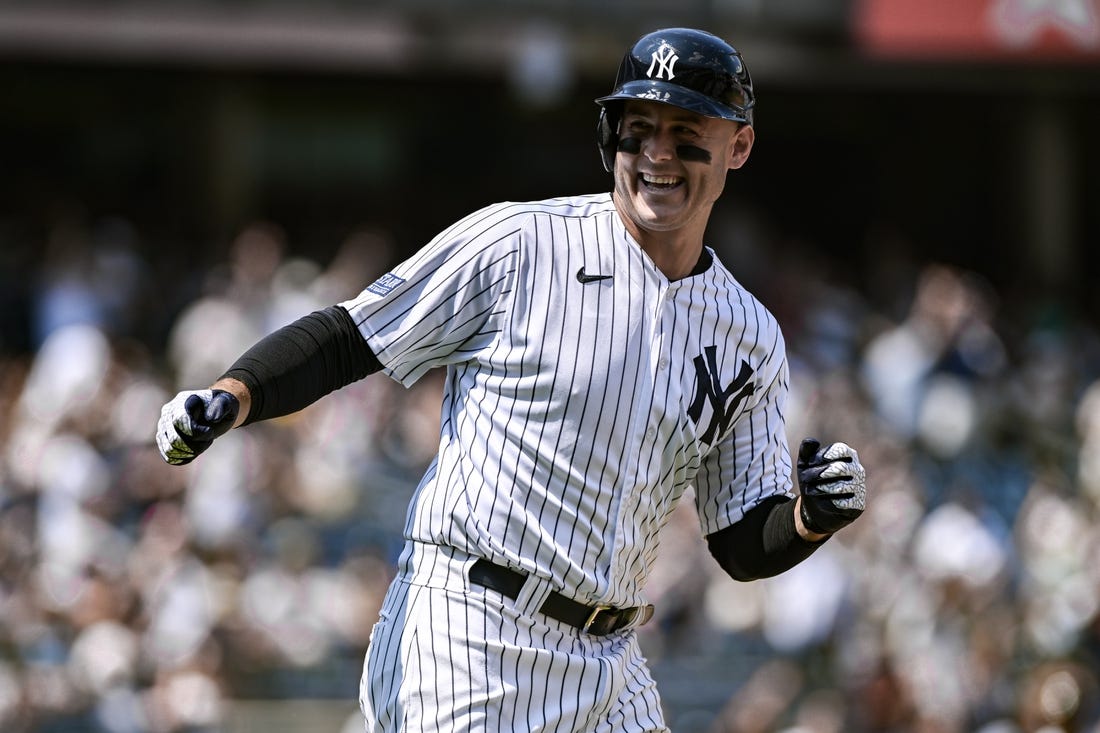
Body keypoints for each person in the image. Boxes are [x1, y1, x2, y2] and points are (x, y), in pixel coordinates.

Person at [156, 27, 867, 733]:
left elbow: (741, 542)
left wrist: (811, 517)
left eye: (686, 130)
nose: (656, 153)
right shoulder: (520, 245)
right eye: (638, 127)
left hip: (611, 654)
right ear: (608, 136)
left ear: (737, 145)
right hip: (470, 627)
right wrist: (231, 395)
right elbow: (351, 336)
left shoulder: (750, 334)